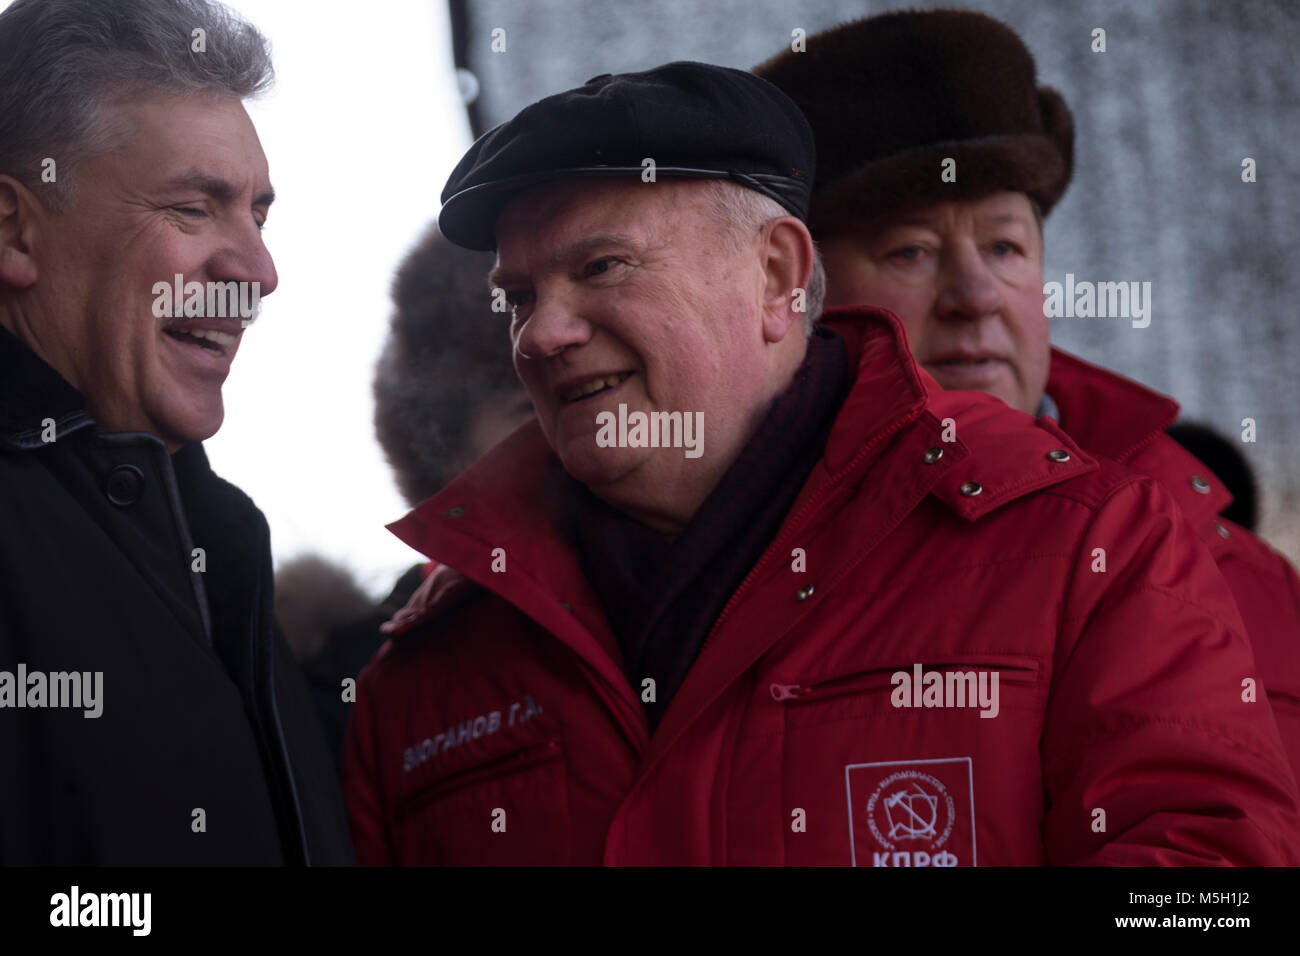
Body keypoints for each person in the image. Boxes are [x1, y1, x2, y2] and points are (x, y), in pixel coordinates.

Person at [343, 61, 1299, 866]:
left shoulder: (1087, 545)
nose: (542, 334)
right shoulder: (425, 674)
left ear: (777, 277)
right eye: (518, 296)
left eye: (601, 268)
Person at [755, 7, 1300, 784]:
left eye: (1006, 246)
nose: (975, 295)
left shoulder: (1237, 570)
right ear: (791, 291)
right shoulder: (732, 570)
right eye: (910, 249)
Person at [0, 0, 349, 864]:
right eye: (194, 209)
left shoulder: (217, 546)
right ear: (14, 229)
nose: (259, 272)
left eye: (258, 216)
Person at [276, 225, 533, 772]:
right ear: (445, 446)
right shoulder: (361, 681)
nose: (569, 437)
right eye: (527, 411)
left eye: (586, 398)